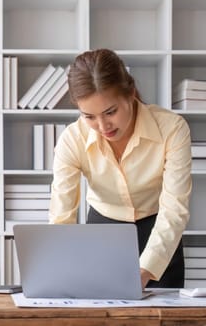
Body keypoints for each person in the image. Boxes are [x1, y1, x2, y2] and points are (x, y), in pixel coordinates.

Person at [49, 49, 192, 289]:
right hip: (102, 233)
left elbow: (174, 209)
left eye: (110, 112)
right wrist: (62, 269)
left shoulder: (172, 128)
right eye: (89, 116)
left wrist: (146, 270)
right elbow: (61, 218)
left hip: (158, 231)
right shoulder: (72, 140)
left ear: (131, 94)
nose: (103, 126)